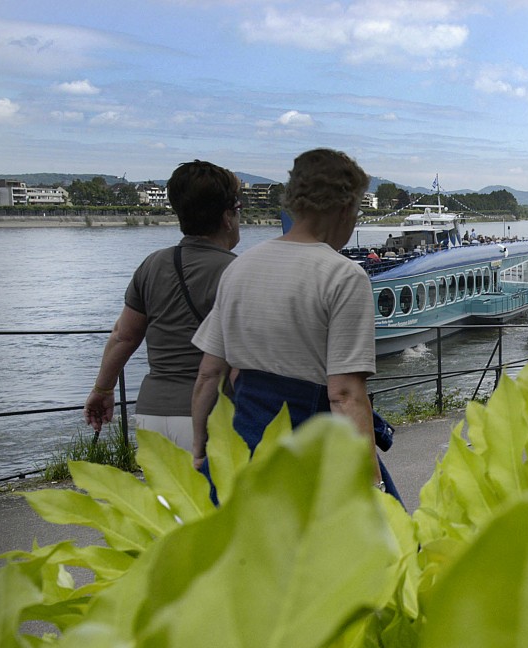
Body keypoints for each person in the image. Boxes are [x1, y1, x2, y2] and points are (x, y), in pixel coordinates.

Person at [190, 148, 398, 500]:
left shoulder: (239, 268)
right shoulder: (344, 275)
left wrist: (200, 451)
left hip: (244, 450)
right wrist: (375, 487)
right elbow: (344, 394)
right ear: (346, 207)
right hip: (313, 455)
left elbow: (209, 375)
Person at [83, 160, 240, 452]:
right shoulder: (237, 272)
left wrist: (103, 389)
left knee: (164, 498)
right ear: (228, 217)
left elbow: (124, 336)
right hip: (212, 416)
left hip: (152, 414)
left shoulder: (153, 264)